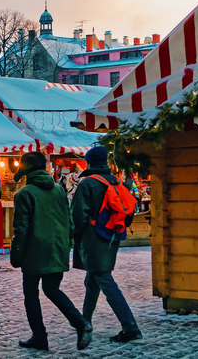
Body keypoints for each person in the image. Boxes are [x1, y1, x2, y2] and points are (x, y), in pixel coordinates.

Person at [11, 152, 92, 351]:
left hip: (34, 250)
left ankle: (39, 336)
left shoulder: (25, 194)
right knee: (52, 289)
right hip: (57, 248)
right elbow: (69, 220)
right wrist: (67, 244)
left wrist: (17, 254)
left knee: (31, 293)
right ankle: (81, 323)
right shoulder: (58, 190)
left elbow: (21, 229)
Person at [71, 146, 142, 343]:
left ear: (89, 162)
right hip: (111, 236)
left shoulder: (88, 184)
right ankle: (85, 322)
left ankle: (131, 327)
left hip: (93, 239)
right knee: (92, 280)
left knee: (104, 280)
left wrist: (74, 235)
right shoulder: (116, 182)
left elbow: (77, 216)